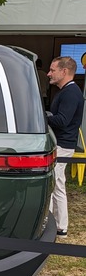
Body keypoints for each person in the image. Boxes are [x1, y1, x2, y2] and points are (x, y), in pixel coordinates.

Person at [46, 56, 84, 237]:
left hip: (63, 145)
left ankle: (60, 227)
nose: (48, 74)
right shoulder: (68, 91)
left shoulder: (70, 93)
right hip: (61, 143)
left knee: (56, 184)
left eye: (53, 70)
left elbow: (62, 120)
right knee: (55, 183)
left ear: (64, 71)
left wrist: (42, 117)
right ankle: (54, 224)